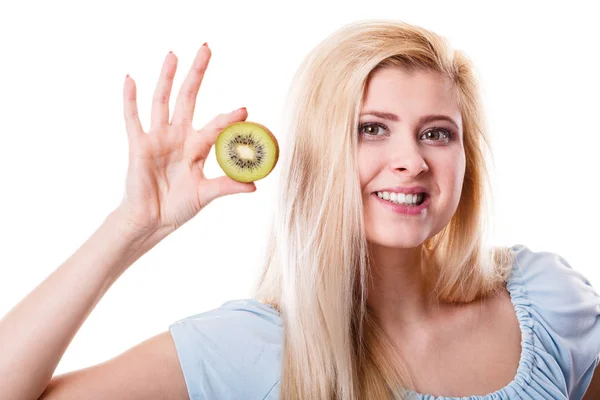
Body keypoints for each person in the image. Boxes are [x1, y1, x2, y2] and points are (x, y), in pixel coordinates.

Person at [0, 18, 598, 400]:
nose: (411, 160)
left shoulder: (544, 297)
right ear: (317, 154)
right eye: (371, 129)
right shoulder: (249, 347)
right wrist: (131, 227)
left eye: (437, 133)